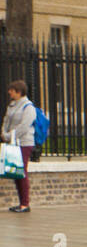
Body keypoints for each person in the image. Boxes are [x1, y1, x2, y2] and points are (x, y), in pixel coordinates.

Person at [2, 80, 35, 212]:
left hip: (24, 143)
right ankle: (21, 202)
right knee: (15, 173)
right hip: (12, 143)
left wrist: (10, 136)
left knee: (22, 173)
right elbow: (5, 120)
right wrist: (4, 134)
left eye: (12, 90)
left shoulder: (28, 107)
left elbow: (24, 126)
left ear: (19, 92)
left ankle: (25, 204)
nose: (9, 92)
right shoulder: (11, 105)